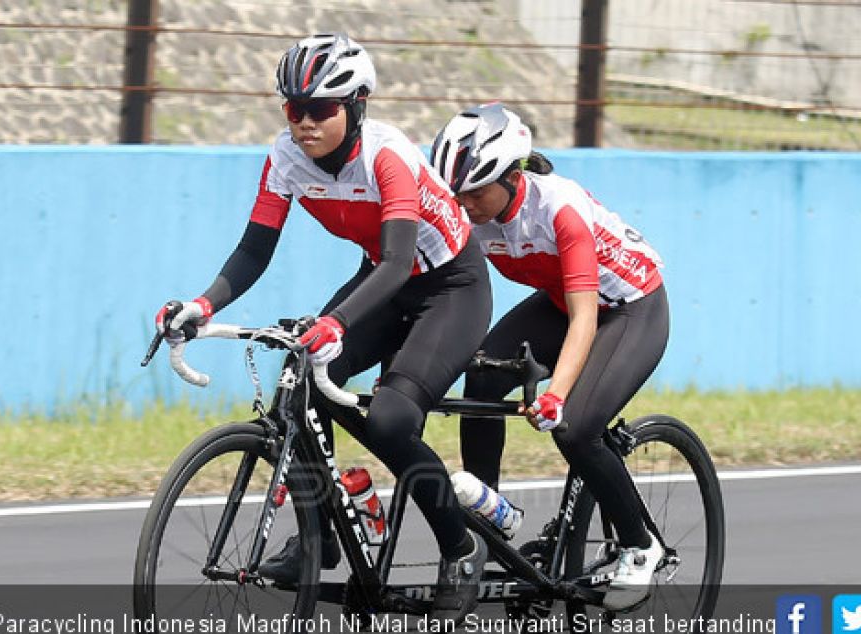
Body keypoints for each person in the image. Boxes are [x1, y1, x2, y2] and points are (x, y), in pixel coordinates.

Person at [156, 34, 492, 621]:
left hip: (448, 288)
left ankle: (461, 548)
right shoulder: (284, 157)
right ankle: (323, 535)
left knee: (389, 419)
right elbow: (255, 250)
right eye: (293, 109)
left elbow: (396, 262)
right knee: (301, 374)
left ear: (357, 104)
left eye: (320, 109)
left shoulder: (387, 157)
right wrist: (203, 305)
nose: (303, 123)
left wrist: (335, 322)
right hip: (383, 278)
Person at [430, 103, 669, 610]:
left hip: (628, 308)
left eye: (475, 191)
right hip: (562, 302)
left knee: (575, 427)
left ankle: (639, 544)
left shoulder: (558, 208)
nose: (464, 204)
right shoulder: (467, 214)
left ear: (512, 177)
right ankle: (487, 517)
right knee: (482, 371)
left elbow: (586, 316)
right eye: (456, 193)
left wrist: (557, 393)